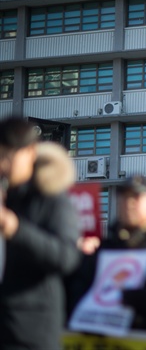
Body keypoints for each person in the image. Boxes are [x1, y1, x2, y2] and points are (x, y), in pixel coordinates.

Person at [0, 118, 80, 350]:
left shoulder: (52, 197)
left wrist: (15, 228)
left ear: (31, 152)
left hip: (30, 332)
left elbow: (66, 257)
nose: (3, 165)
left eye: (8, 156)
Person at [67, 175, 146, 332]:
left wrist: (139, 299)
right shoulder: (108, 245)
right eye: (124, 197)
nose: (129, 203)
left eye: (136, 197)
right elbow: (81, 291)